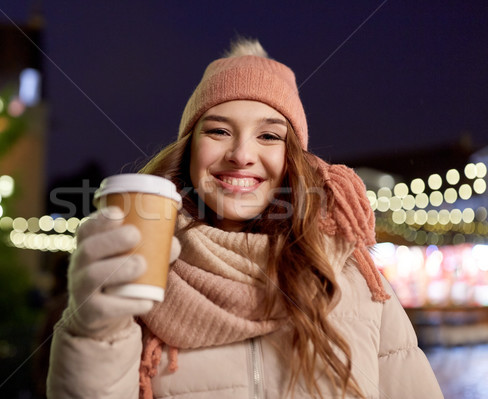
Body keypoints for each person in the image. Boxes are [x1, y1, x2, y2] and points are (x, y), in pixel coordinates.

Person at [47, 39, 444, 398]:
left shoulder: (352, 279)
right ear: (189, 149)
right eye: (219, 131)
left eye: (269, 136)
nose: (241, 155)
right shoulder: (138, 273)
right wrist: (95, 331)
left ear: (293, 159)